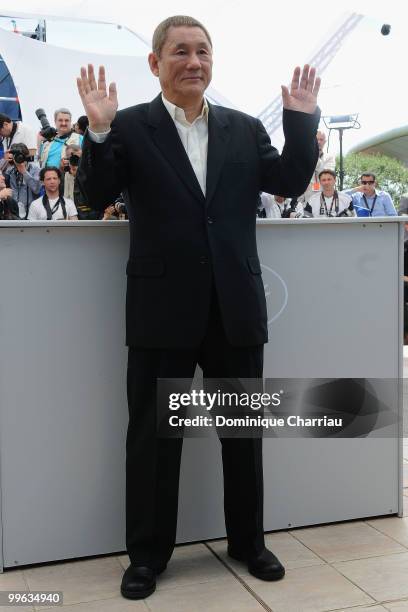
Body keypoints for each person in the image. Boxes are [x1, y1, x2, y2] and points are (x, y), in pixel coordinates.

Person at [76, 14, 320, 600]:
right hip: (162, 307)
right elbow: (91, 197)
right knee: (154, 439)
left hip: (234, 304)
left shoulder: (242, 128)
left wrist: (303, 122)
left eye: (203, 51)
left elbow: (288, 179)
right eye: (180, 51)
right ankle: (147, 556)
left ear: (213, 61)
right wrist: (100, 132)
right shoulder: (130, 127)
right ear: (156, 63)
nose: (194, 61)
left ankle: (248, 542)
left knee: (242, 434)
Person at [4, 143, 41, 219]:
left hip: (31, 212)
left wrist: (24, 172)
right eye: (16, 156)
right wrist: (4, 161)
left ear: (26, 157)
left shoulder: (35, 170)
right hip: (14, 213)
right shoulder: (9, 171)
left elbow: (37, 190)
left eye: (21, 156)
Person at [300, 130, 335, 202]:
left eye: (321, 140)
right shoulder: (304, 157)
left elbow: (327, 175)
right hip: (305, 201)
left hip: (324, 200)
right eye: (316, 139)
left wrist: (315, 156)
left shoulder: (330, 157)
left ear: (325, 142)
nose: (318, 142)